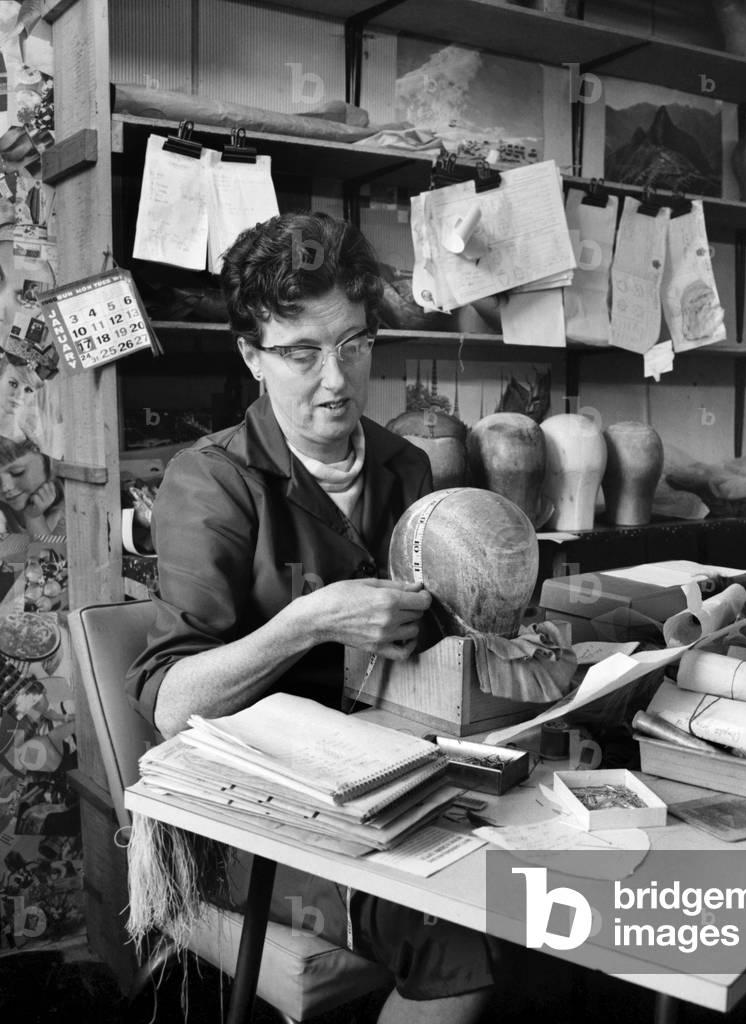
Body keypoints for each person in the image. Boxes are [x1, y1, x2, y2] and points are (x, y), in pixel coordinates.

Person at [126, 212, 496, 1024]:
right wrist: (307, 622)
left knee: (526, 886)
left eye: (354, 345)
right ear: (251, 356)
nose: (336, 380)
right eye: (301, 354)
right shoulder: (211, 481)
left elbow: (429, 645)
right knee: (459, 944)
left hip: (386, 783)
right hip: (250, 813)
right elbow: (172, 705)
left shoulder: (406, 465)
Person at [0, 436, 64, 535]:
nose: (5, 487)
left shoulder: (67, 514)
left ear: (48, 464)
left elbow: (45, 546)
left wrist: (33, 518)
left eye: (17, 472)